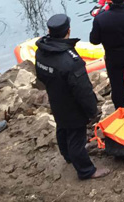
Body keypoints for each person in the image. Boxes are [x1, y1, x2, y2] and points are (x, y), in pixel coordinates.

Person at [35, 14, 110, 180]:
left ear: (49, 31)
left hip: (55, 98)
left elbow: (41, 76)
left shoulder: (41, 52)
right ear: (68, 31)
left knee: (62, 128)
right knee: (77, 137)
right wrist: (92, 110)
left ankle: (68, 155)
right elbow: (83, 90)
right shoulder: (71, 61)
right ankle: (86, 170)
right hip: (72, 105)